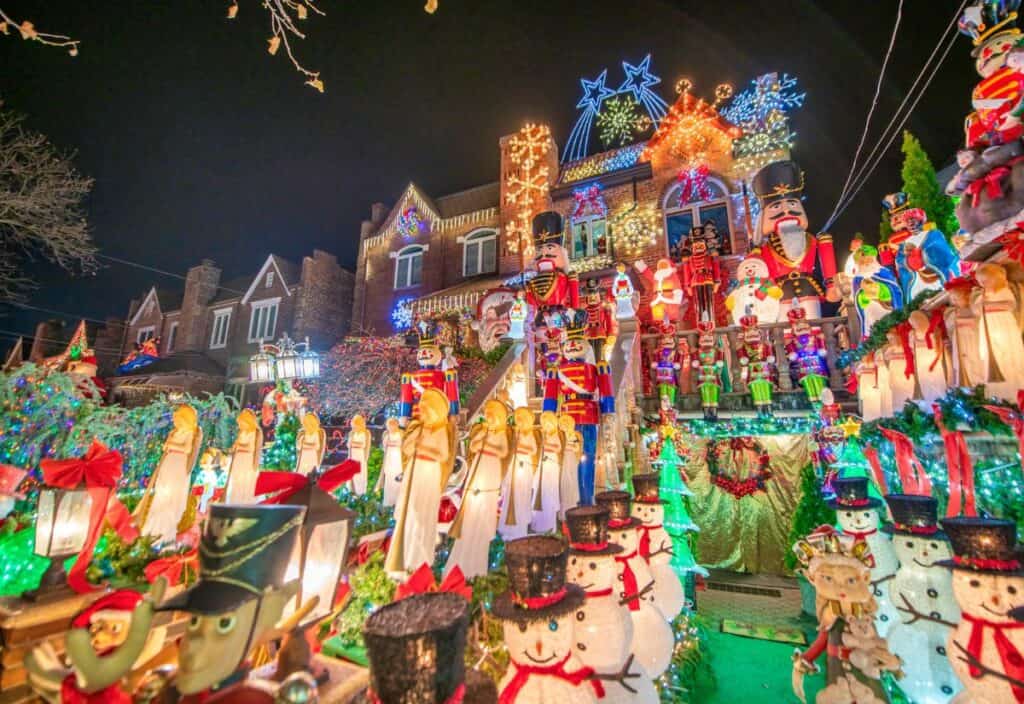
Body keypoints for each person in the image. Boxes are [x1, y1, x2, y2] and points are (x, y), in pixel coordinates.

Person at [386, 388, 455, 576]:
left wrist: (423, 448)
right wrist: (414, 443)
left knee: (421, 509)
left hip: (429, 472)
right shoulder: (418, 428)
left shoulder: (441, 430)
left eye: (426, 410)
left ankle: (420, 556)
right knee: (409, 510)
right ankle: (403, 552)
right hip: (414, 471)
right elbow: (407, 448)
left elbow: (443, 454)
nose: (423, 414)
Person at [137, 405, 203, 544]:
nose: (174, 421)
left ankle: (165, 532)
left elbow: (187, 448)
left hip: (178, 464)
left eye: (177, 418)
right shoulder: (175, 432)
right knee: (161, 493)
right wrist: (170, 444)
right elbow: (165, 446)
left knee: (171, 497)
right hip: (169, 462)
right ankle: (152, 529)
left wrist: (171, 445)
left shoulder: (191, 433)